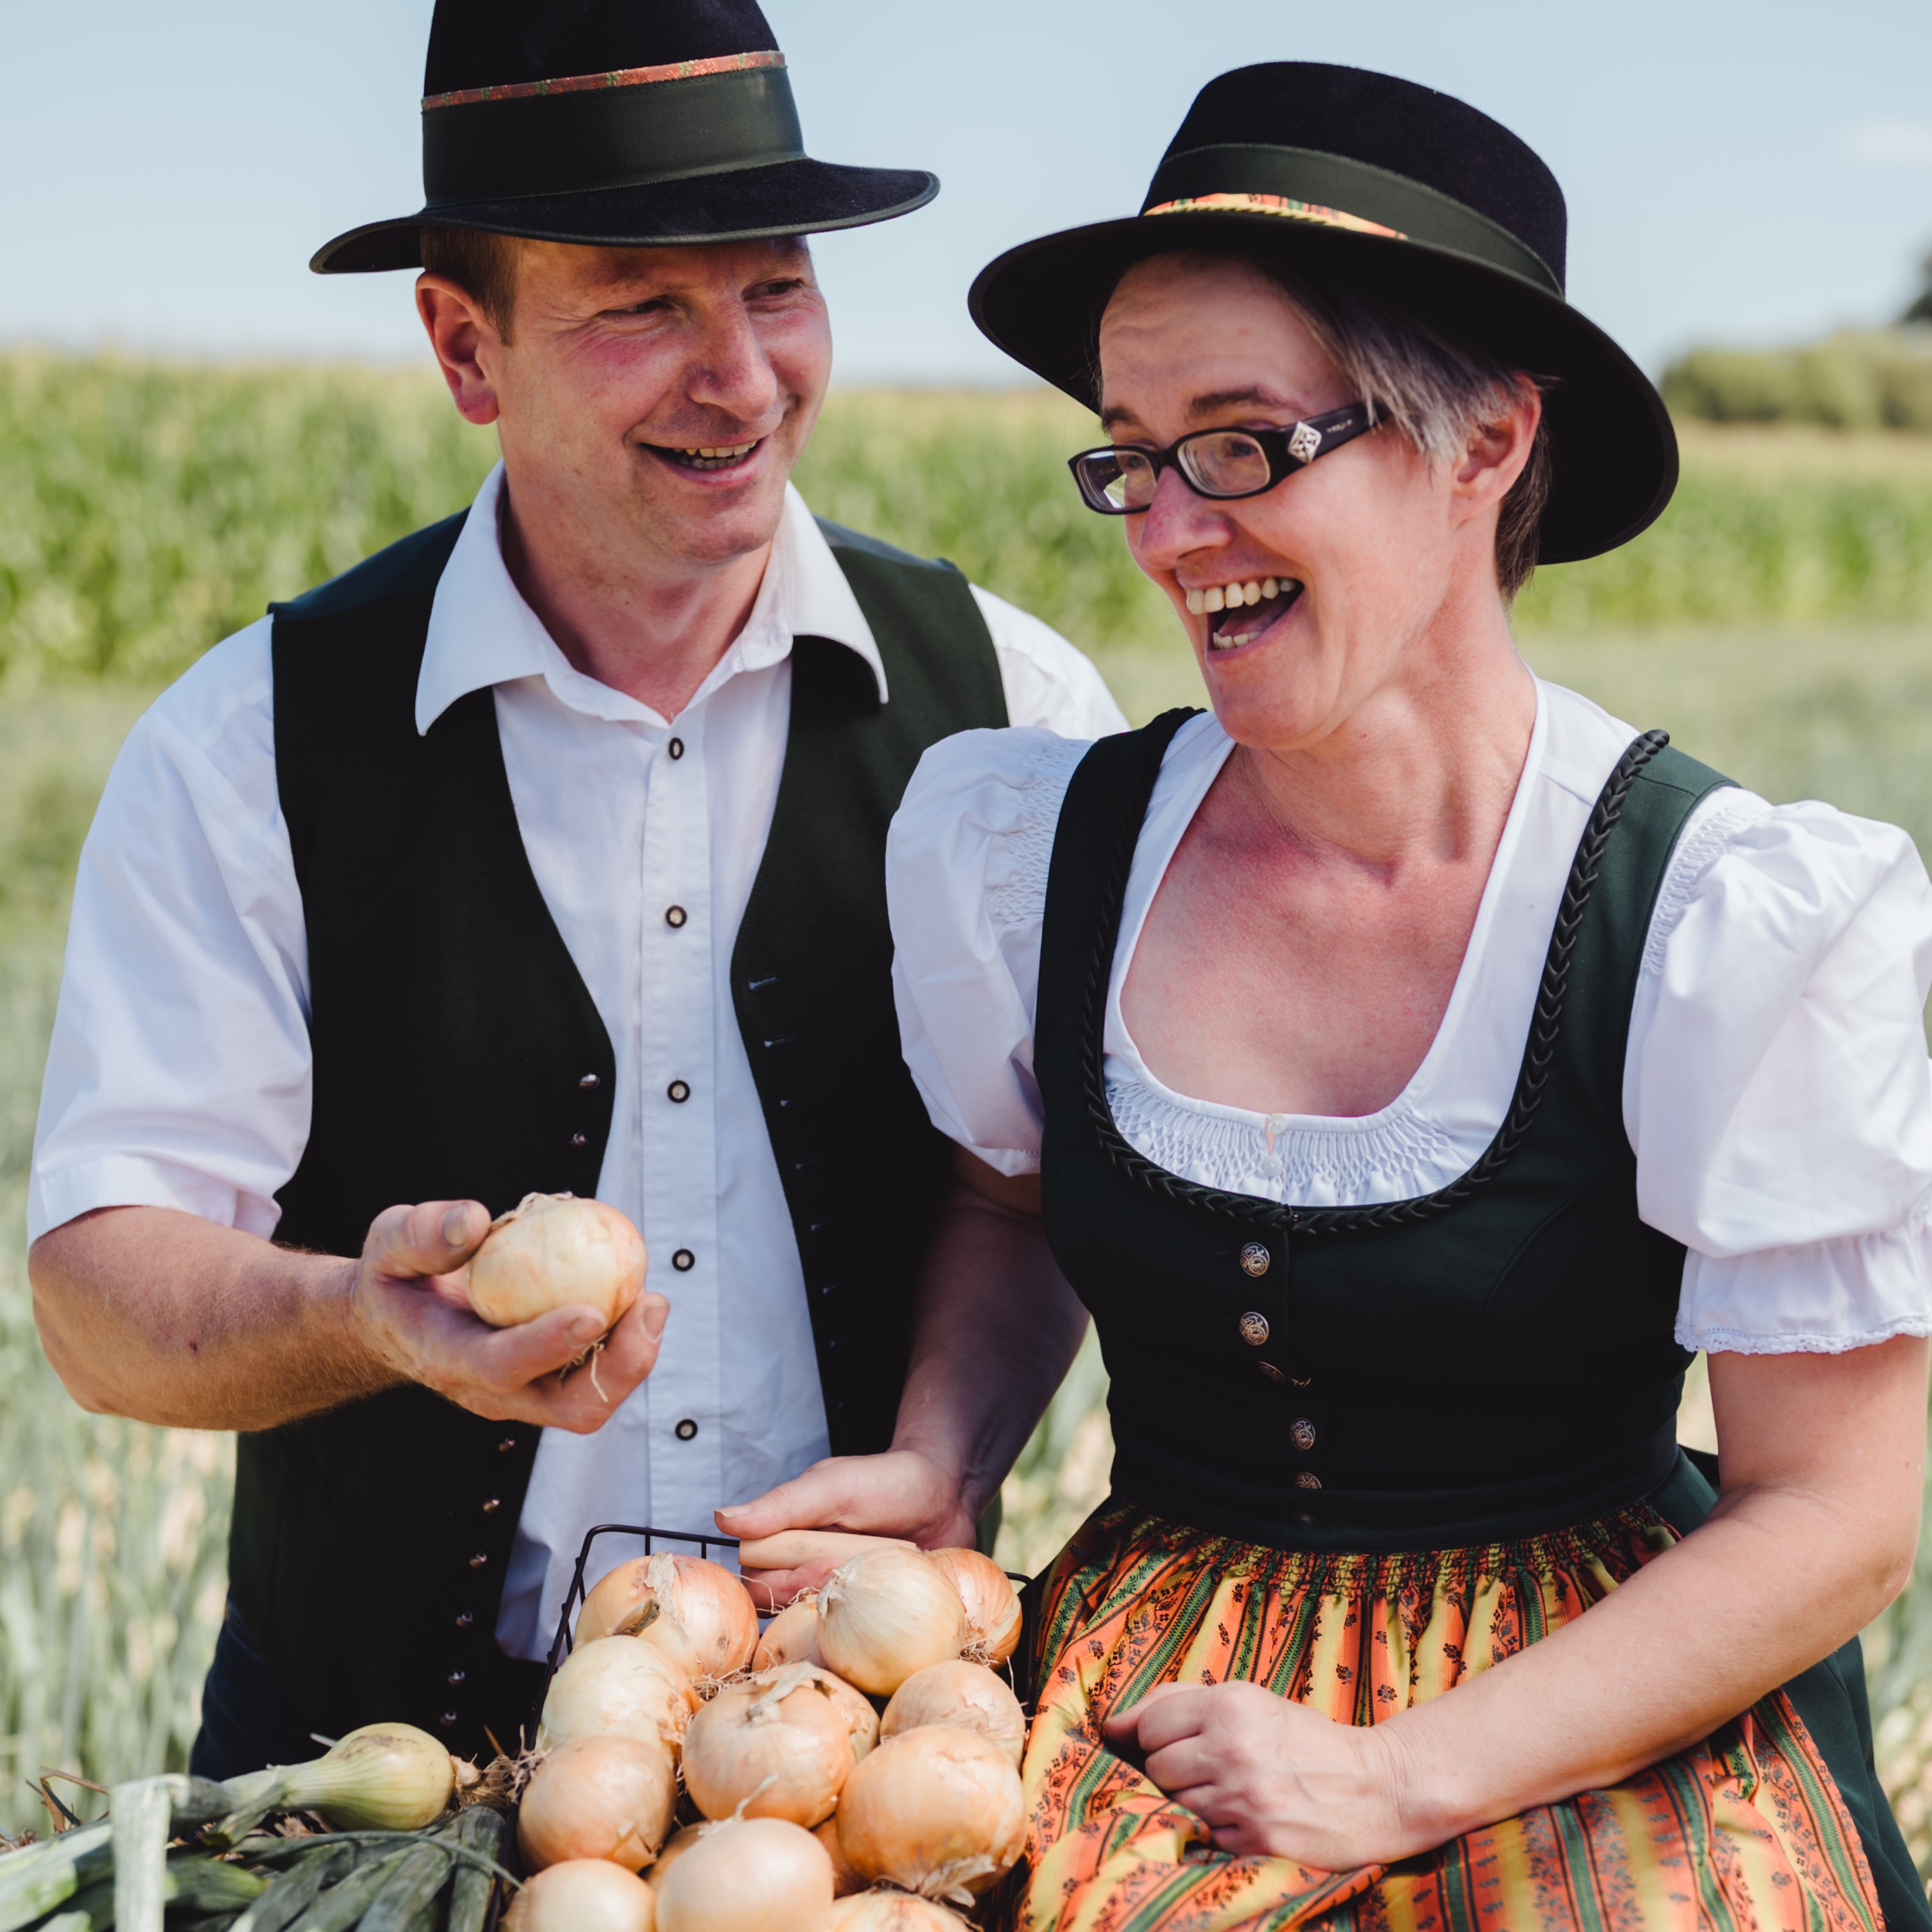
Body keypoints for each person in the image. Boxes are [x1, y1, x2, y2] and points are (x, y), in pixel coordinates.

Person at [885, 63, 1932, 1932]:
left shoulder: (1714, 914)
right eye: (1130, 452)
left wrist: (1393, 1777)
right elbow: (1007, 1196)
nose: (1167, 528)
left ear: (1486, 444)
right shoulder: (1033, 845)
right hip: (1168, 1689)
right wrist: (940, 1458)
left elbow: (1840, 1515)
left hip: (1592, 1713)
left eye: (1240, 441)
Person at [26, 0, 1117, 1775]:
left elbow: (1043, 1190)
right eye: (643, 306)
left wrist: (952, 1457)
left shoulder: (1015, 713)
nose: (747, 378)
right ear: (468, 349)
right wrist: (358, 1319)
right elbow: (95, 1298)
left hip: (840, 1783)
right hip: (360, 1801)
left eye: (776, 288)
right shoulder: (246, 746)